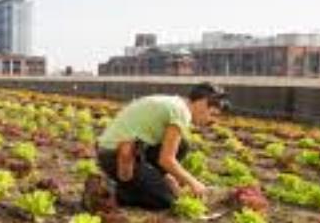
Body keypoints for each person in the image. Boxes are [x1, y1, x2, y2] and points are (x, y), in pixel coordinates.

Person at [95, 82, 229, 210]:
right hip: (114, 156)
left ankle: (141, 181)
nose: (210, 120)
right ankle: (112, 192)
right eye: (212, 114)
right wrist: (194, 183)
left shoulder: (176, 103)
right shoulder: (181, 112)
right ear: (202, 103)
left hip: (125, 151)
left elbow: (164, 155)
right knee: (166, 200)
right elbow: (166, 159)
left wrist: (166, 177)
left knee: (182, 145)